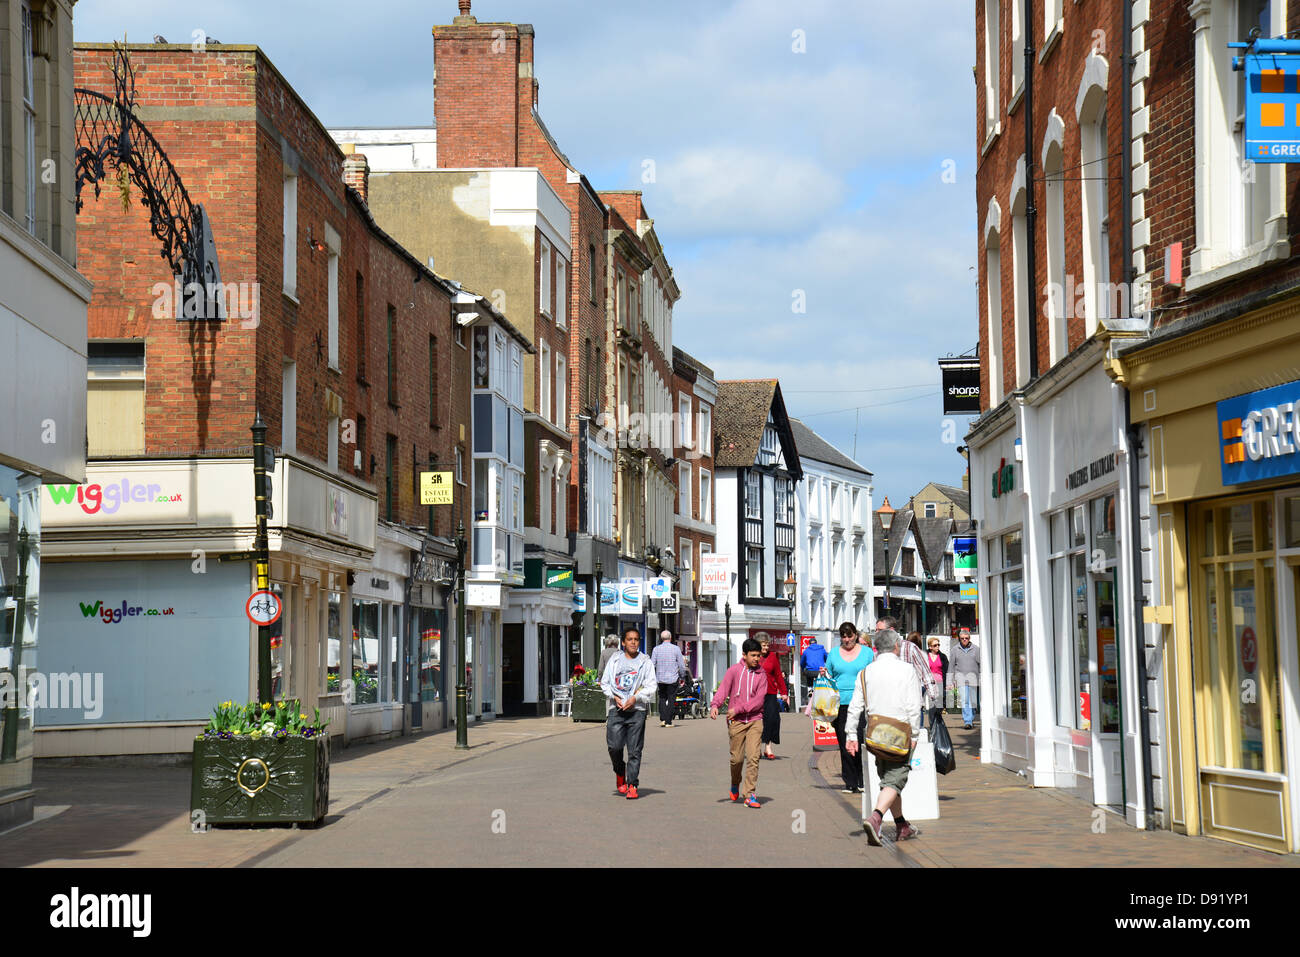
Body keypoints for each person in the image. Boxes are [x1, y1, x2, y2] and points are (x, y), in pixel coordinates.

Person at [847, 628, 923, 844]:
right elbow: (914, 705)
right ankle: (876, 818)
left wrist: (851, 734)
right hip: (899, 733)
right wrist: (915, 733)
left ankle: (901, 825)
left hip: (875, 733)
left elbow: (855, 706)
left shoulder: (865, 672)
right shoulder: (907, 670)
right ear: (896, 646)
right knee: (895, 779)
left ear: (876, 648)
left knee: (889, 779)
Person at [599, 627, 656, 800]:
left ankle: (632, 785)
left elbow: (651, 686)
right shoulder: (615, 660)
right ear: (623, 642)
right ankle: (619, 771)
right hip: (616, 710)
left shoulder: (645, 661)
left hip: (636, 711)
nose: (633, 642)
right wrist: (614, 697)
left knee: (634, 750)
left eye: (636, 639)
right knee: (614, 747)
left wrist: (636, 698)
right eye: (629, 639)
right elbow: (605, 682)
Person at [710, 637, 768, 808]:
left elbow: (759, 700)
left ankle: (749, 794)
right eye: (753, 655)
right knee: (736, 759)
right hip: (736, 723)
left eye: (758, 655)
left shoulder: (761, 674)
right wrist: (715, 705)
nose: (757, 659)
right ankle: (735, 782)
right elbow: (723, 690)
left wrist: (739, 708)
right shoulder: (734, 671)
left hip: (755, 720)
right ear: (744, 655)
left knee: (753, 757)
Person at [823, 622, 873, 794]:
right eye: (843, 636)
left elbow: (873, 674)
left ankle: (861, 779)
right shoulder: (834, 653)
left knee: (859, 740)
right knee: (844, 743)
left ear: (856, 635)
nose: (846, 640)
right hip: (839, 703)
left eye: (849, 636)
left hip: (860, 702)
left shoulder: (867, 653)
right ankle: (849, 781)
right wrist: (824, 673)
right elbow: (828, 673)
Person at [877, 618, 938, 713]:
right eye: (876, 630)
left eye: (880, 630)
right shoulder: (878, 651)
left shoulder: (910, 648)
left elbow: (925, 673)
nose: (877, 633)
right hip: (886, 704)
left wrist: (934, 698)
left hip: (908, 704)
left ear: (891, 630)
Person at [758, 636, 788, 759]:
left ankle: (768, 747)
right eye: (763, 645)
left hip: (770, 692)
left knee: (772, 719)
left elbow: (778, 675)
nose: (766, 647)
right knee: (757, 721)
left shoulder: (773, 657)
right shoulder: (753, 656)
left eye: (767, 645)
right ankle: (756, 748)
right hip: (755, 694)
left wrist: (784, 692)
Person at [651, 629, 688, 728]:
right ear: (670, 638)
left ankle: (663, 719)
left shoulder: (656, 649)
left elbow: (652, 664)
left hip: (660, 678)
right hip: (672, 678)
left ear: (661, 638)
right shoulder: (676, 649)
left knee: (662, 698)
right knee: (671, 699)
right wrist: (682, 675)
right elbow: (681, 665)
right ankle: (668, 721)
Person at [951, 628, 979, 728]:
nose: (964, 640)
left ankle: (971, 716)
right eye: (962, 638)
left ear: (969, 638)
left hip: (973, 679)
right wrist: (950, 681)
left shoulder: (976, 649)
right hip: (961, 679)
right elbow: (951, 666)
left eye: (966, 638)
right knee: (965, 700)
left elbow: (981, 664)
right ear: (959, 638)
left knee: (973, 701)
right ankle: (968, 721)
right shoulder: (955, 649)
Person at [925, 634, 949, 729]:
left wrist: (948, 683)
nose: (937, 647)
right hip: (930, 684)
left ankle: (938, 723)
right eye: (935, 645)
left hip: (940, 683)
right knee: (931, 706)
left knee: (939, 706)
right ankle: (932, 725)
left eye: (938, 645)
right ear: (930, 647)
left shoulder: (942, 657)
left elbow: (947, 670)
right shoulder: (925, 656)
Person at [800, 638, 828, 703]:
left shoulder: (806, 651)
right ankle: (821, 696)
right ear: (816, 643)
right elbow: (827, 659)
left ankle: (810, 692)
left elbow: (802, 663)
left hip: (810, 672)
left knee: (810, 683)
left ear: (809, 644)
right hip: (819, 672)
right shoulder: (822, 650)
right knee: (821, 684)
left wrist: (802, 669)